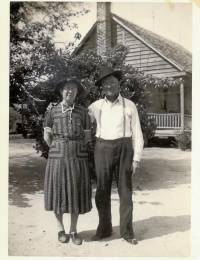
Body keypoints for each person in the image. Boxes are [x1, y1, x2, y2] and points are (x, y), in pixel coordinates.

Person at [88, 66, 144, 245]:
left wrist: (136, 159)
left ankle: (127, 232)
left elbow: (137, 133)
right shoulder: (95, 106)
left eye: (113, 82)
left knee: (125, 192)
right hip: (102, 147)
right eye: (106, 83)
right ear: (102, 88)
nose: (110, 86)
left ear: (119, 84)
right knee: (102, 191)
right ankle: (104, 229)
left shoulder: (129, 105)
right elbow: (80, 122)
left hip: (124, 148)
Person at [43, 78, 92, 245]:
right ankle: (60, 229)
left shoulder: (83, 112)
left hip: (78, 156)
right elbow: (47, 137)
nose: (69, 91)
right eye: (66, 89)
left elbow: (86, 137)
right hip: (57, 156)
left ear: (77, 93)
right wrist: (58, 147)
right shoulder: (52, 111)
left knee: (75, 192)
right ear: (61, 91)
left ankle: (73, 230)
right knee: (58, 192)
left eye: (73, 89)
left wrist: (73, 147)